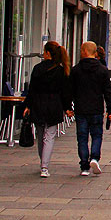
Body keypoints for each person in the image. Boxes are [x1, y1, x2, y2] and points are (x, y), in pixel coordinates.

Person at [22, 41, 71, 178]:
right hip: (54, 105)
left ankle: (42, 161)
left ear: (48, 53)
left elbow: (32, 89)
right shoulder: (61, 70)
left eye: (44, 52)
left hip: (38, 104)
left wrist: (27, 105)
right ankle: (45, 166)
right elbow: (65, 92)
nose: (43, 54)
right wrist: (67, 108)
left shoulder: (37, 69)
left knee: (40, 135)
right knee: (49, 136)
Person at [69, 41, 111, 176]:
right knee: (97, 135)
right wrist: (110, 109)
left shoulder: (76, 70)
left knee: (82, 137)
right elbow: (107, 91)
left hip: (81, 109)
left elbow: (70, 90)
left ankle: (84, 165)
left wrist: (67, 107)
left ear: (83, 51)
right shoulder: (102, 70)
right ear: (95, 53)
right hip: (96, 108)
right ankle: (94, 158)